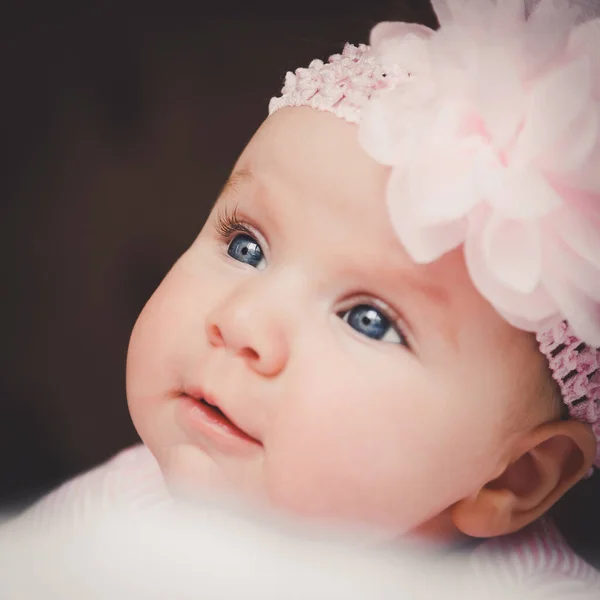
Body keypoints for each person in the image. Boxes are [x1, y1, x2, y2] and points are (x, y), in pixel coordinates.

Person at [3, 0, 599, 595]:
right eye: (245, 248)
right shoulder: (107, 517)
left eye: (367, 319)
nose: (242, 323)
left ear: (515, 478)